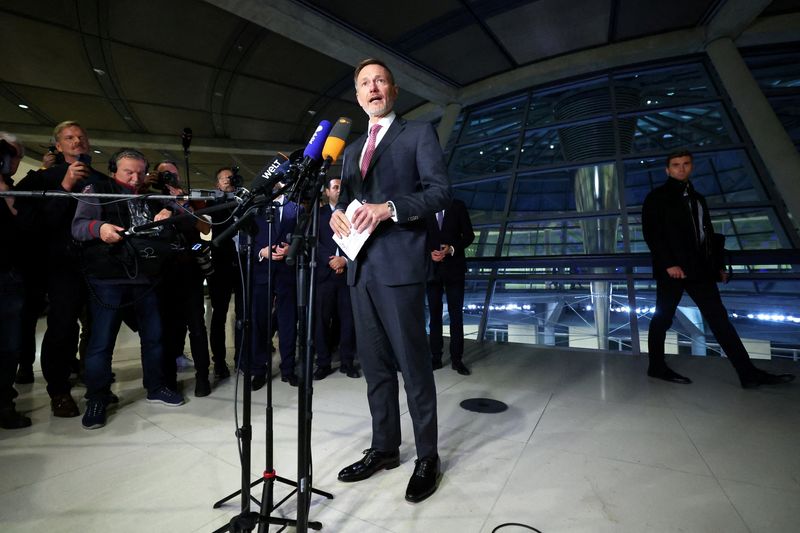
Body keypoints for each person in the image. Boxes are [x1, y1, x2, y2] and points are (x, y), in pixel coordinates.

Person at [330, 58, 451, 503]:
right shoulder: (349, 149)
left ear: (394, 91)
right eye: (364, 83)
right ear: (358, 96)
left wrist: (389, 208)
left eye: (379, 80)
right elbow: (344, 203)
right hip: (360, 269)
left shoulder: (417, 134)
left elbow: (439, 191)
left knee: (413, 367)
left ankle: (427, 457)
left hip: (399, 268)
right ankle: (384, 449)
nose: (372, 88)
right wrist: (335, 218)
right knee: (375, 369)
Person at [642, 149, 795, 389]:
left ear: (691, 166)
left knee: (720, 321)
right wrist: (669, 264)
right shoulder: (657, 197)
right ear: (667, 170)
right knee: (663, 319)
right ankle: (656, 367)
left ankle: (748, 374)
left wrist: (717, 268)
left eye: (685, 164)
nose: (681, 168)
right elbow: (652, 234)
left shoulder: (698, 198)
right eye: (675, 165)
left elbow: (707, 237)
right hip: (673, 271)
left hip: (700, 271)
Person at [72, 149, 185, 430]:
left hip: (145, 279)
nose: (135, 178)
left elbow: (172, 224)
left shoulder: (148, 197)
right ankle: (97, 397)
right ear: (114, 170)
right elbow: (78, 226)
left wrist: (164, 215)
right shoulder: (96, 189)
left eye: (140, 172)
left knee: (154, 337)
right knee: (101, 342)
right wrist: (99, 229)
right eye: (128, 172)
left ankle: (156, 386)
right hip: (107, 278)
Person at [13, 121, 106, 417]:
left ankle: (95, 382)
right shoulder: (41, 179)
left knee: (97, 328)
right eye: (70, 137)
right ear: (58, 144)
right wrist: (64, 185)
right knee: (62, 328)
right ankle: (59, 390)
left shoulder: (101, 180)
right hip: (61, 266)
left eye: (81, 136)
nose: (77, 141)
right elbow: (31, 224)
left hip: (97, 265)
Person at [154, 160, 213, 398]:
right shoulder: (149, 198)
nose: (171, 178)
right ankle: (168, 378)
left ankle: (202, 376)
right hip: (161, 273)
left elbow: (206, 229)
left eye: (174, 174)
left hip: (189, 272)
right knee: (168, 330)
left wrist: (183, 205)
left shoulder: (188, 199)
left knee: (197, 327)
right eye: (165, 175)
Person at [252, 183, 301, 389]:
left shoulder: (297, 208)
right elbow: (247, 239)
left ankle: (288, 369)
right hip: (262, 272)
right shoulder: (255, 207)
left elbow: (303, 238)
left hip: (287, 274)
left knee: (288, 324)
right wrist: (261, 252)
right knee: (259, 323)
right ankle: (259, 370)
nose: (278, 185)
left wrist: (292, 248)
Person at [313, 177, 359, 380]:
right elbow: (314, 242)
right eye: (335, 187)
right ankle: (323, 363)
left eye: (341, 187)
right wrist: (331, 260)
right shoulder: (318, 214)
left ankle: (347, 362)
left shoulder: (354, 214)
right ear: (326, 191)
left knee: (348, 320)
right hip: (325, 274)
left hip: (348, 274)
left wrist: (344, 261)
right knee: (321, 322)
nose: (339, 190)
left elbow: (359, 240)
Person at [0, 132, 31, 429]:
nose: (11, 160)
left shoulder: (12, 189)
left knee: (8, 346)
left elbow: (21, 224)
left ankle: (3, 404)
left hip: (9, 272)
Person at [426, 198, 475, 375]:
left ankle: (457, 359)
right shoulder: (427, 206)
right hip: (433, 271)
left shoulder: (457, 205)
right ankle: (435, 358)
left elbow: (469, 235)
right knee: (434, 316)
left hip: (454, 269)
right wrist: (429, 254)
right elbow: (421, 238)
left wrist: (452, 249)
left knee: (456, 317)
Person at [206, 167, 240, 380]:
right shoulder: (212, 203)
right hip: (220, 264)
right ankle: (219, 362)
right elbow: (218, 221)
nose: (228, 180)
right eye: (223, 178)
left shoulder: (243, 201)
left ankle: (242, 357)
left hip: (242, 263)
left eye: (230, 177)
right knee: (219, 314)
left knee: (244, 314)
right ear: (217, 184)